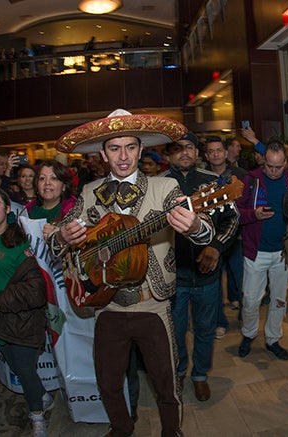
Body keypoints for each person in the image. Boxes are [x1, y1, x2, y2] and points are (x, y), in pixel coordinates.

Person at [50, 109, 214, 437]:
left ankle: (172, 432)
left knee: (166, 383)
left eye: (130, 147)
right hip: (107, 305)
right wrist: (61, 238)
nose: (123, 156)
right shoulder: (88, 193)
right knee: (108, 382)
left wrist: (195, 225)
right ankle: (122, 429)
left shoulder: (165, 186)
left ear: (141, 149)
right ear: (102, 153)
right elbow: (58, 244)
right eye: (114, 148)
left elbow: (206, 232)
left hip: (152, 303)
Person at [163, 132, 239, 401]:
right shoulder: (157, 186)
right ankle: (181, 369)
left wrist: (216, 247)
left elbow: (233, 219)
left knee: (206, 329)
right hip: (173, 279)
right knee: (176, 331)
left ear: (198, 153)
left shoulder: (213, 182)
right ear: (168, 155)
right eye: (178, 148)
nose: (185, 152)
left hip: (207, 276)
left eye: (190, 148)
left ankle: (200, 375)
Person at [0, 187, 52, 437]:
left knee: (25, 371)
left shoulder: (18, 241)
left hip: (22, 320)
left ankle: (37, 415)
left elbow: (35, 288)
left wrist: (1, 301)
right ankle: (42, 395)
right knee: (20, 370)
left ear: (7, 209)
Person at [236, 140, 288, 361]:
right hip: (256, 252)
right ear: (263, 161)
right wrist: (253, 215)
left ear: (286, 163)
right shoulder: (251, 180)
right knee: (251, 300)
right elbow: (236, 212)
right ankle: (249, 333)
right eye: (269, 166)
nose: (273, 171)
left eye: (278, 167)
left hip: (282, 253)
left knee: (279, 300)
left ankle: (273, 338)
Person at [204, 135, 247, 337]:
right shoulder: (201, 177)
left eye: (218, 150)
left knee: (241, 281)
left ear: (225, 152)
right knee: (214, 285)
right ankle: (220, 321)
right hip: (212, 240)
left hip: (237, 238)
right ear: (206, 155)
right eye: (211, 151)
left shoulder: (241, 175)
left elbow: (247, 206)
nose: (215, 154)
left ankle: (245, 317)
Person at [24, 160, 77, 240]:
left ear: (64, 186)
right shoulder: (27, 211)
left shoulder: (74, 211)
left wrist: (58, 237)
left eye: (53, 178)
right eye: (42, 178)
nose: (47, 183)